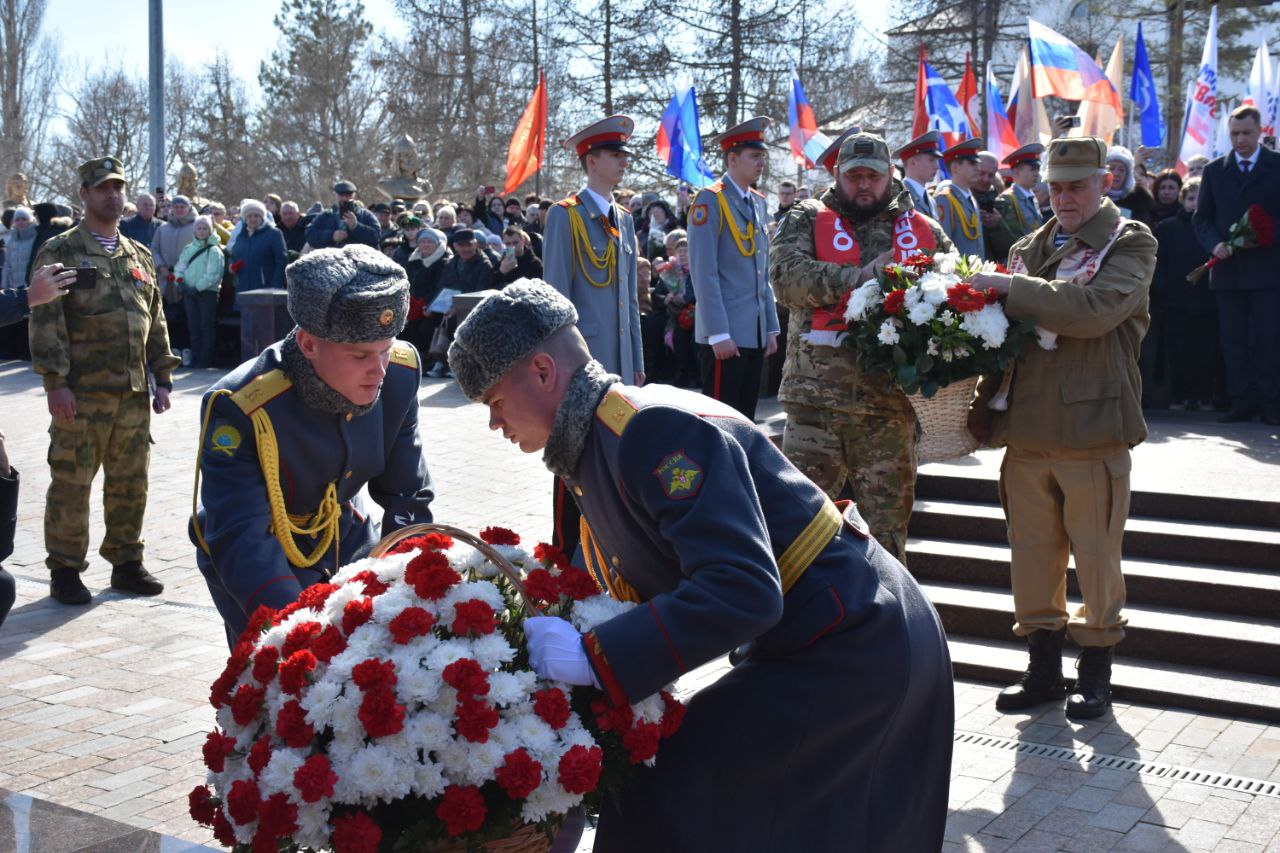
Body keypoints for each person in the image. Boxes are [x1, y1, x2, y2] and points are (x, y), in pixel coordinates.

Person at [448, 280, 953, 853]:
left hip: (858, 641)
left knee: (675, 791)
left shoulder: (651, 431)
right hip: (821, 635)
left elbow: (741, 589)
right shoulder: (594, 443)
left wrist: (596, 657)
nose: (493, 426)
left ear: (542, 371)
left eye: (493, 403)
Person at [968, 136, 1156, 719]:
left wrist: (1008, 289)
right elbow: (1004, 336)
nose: (1065, 196)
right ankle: (1043, 668)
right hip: (1026, 427)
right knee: (1030, 553)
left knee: (1097, 556)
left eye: (1077, 184)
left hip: (1092, 426)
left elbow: (1096, 311)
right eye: (1056, 185)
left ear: (1105, 183)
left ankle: (1095, 672)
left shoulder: (1130, 242)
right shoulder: (1031, 245)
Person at [191, 244, 435, 644]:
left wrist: (405, 590)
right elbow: (242, 535)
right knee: (282, 686)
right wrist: (301, 633)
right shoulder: (242, 406)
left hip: (347, 536)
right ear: (308, 344)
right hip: (260, 554)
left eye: (386, 350)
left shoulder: (400, 374)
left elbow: (408, 493)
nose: (378, 370)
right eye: (359, 355)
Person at [772, 132, 952, 562]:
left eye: (874, 175)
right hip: (814, 406)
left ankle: (889, 624)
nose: (864, 185)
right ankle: (798, 626)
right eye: (854, 176)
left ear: (891, 175)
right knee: (798, 531)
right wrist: (864, 278)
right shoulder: (805, 217)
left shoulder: (922, 229)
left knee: (887, 536)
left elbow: (953, 291)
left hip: (887, 411)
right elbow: (786, 280)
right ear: (837, 176)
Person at [29, 156, 181, 605]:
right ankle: (65, 569)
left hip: (133, 394)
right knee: (73, 482)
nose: (113, 195)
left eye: (118, 187)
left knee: (130, 481)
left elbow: (155, 317)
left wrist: (164, 375)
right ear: (84, 194)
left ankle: (126, 563)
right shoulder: (61, 251)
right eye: (102, 188)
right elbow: (45, 317)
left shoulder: (138, 255)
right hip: (82, 394)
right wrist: (55, 382)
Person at [542, 114, 645, 558]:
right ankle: (566, 552)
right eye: (615, 154)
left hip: (618, 362)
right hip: (582, 364)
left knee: (610, 461)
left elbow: (629, 300)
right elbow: (556, 299)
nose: (623, 162)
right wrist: (566, 366)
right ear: (592, 161)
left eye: (624, 154)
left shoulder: (623, 218)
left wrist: (637, 361)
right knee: (573, 458)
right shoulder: (566, 216)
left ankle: (605, 548)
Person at [687, 116, 781, 420]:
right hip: (725, 335)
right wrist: (717, 332)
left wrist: (768, 325)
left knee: (745, 422)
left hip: (752, 331)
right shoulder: (710, 200)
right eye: (754, 156)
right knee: (720, 423)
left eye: (762, 156)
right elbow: (704, 272)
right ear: (732, 158)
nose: (761, 163)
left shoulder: (758, 202)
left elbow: (761, 271)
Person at [1193, 105, 1280, 425]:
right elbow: (1201, 218)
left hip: (1268, 270)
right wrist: (1214, 243)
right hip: (1228, 270)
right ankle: (1240, 401)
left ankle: (1271, 403)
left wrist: (1265, 234)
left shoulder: (1277, 166)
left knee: (1269, 339)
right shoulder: (1215, 170)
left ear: (1260, 131)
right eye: (1235, 134)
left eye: (1246, 133)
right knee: (1234, 340)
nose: (1240, 139)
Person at [1154, 178, 1217, 410]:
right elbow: (1160, 262)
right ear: (1183, 200)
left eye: (1200, 200)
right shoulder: (1169, 227)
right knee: (1179, 350)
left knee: (1206, 350)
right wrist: (1163, 290)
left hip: (1207, 300)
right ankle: (1179, 396)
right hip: (1177, 300)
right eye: (1191, 199)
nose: (1195, 204)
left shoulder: (1213, 227)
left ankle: (1203, 395)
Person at [174, 215, 225, 369]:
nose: (202, 231)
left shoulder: (215, 250)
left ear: (210, 230)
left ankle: (206, 359)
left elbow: (213, 274)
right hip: (189, 293)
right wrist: (181, 284)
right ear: (194, 230)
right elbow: (179, 268)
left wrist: (196, 288)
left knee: (206, 326)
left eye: (205, 228)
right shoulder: (188, 248)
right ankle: (195, 357)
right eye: (199, 228)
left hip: (206, 293)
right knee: (193, 326)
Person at [988, 143, 1046, 263]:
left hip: (1033, 259)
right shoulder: (1007, 199)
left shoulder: (1031, 197)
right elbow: (1009, 239)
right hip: (1018, 262)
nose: (1036, 173)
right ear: (1017, 171)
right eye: (1032, 169)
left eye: (1037, 169)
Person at [227, 199, 287, 308]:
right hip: (243, 289)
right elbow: (233, 255)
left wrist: (275, 286)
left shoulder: (274, 234)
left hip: (265, 290)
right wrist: (231, 265)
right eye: (249, 216)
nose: (253, 219)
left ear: (262, 217)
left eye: (256, 216)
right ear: (245, 219)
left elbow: (281, 261)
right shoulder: (241, 236)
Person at [934, 138, 987, 258]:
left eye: (977, 164)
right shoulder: (945, 199)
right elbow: (944, 245)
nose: (978, 169)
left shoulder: (971, 198)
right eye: (972, 164)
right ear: (955, 167)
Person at [403, 227, 451, 361]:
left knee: (425, 326)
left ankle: (430, 358)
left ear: (437, 244)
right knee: (408, 327)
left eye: (430, 242)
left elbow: (440, 287)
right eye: (423, 241)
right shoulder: (413, 260)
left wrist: (429, 305)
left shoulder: (444, 262)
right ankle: (417, 358)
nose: (426, 245)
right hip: (414, 304)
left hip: (434, 306)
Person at [305, 180, 380, 250]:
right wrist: (331, 235)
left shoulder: (365, 215)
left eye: (348, 195)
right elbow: (310, 235)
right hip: (332, 259)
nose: (344, 198)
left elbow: (376, 237)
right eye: (341, 195)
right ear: (335, 195)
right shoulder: (325, 215)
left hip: (360, 259)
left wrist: (356, 226)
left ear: (354, 196)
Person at [895, 131, 943, 219]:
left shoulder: (931, 201)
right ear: (913, 163)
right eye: (931, 160)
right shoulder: (898, 197)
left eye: (936, 161)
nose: (937, 167)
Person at [1105, 146, 1155, 228]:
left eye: (1121, 170)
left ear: (1127, 175)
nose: (1116, 173)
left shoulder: (1139, 199)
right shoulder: (1093, 196)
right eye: (1111, 168)